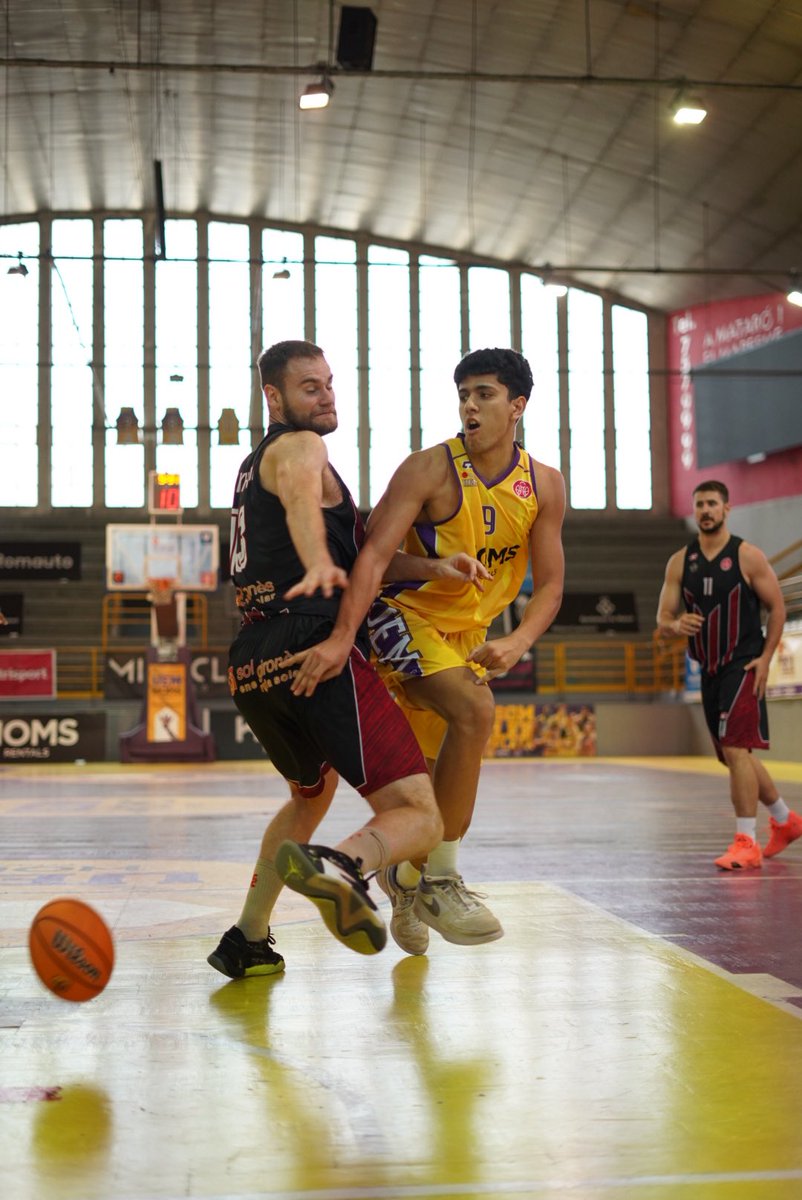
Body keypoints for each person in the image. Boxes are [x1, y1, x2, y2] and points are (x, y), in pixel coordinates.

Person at [288, 347, 566, 955]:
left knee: (434, 784)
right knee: (475, 712)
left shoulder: (543, 484)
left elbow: (550, 586)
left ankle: (405, 880)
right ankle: (441, 877)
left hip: (466, 640)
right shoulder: (428, 470)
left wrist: (517, 640)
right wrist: (341, 638)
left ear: (517, 407)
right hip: (402, 617)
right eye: (464, 393)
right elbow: (371, 558)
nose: (470, 404)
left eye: (485, 394)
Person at [207, 339, 445, 978]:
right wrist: (316, 561)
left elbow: (356, 554)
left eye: (330, 382)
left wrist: (431, 567)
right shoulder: (301, 448)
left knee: (310, 792)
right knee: (420, 815)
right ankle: (341, 865)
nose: (327, 394)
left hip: (253, 659)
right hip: (312, 640)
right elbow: (302, 506)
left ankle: (247, 938)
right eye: (310, 386)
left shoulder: (253, 465)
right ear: (273, 397)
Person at [656, 479, 797, 870]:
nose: (705, 510)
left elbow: (778, 608)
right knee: (734, 758)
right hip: (710, 668)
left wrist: (767, 657)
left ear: (727, 509)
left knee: (736, 750)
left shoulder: (747, 556)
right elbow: (662, 618)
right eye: (699, 504)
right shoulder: (679, 562)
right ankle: (785, 820)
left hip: (744, 663)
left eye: (712, 504)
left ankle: (746, 841)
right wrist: (675, 624)